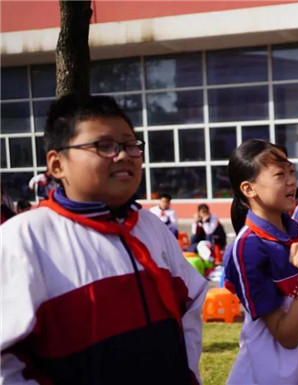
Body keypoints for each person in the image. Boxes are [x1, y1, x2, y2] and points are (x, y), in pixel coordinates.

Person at [1, 95, 207, 385]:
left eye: (131, 145)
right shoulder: (23, 240)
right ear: (57, 164)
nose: (123, 155)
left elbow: (190, 305)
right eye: (104, 146)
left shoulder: (151, 226)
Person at [223, 139, 298, 385]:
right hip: (263, 375)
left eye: (291, 172)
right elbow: (285, 335)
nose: (291, 181)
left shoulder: (293, 231)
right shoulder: (248, 248)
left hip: (296, 371)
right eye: (279, 174)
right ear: (249, 189)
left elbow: (292, 301)